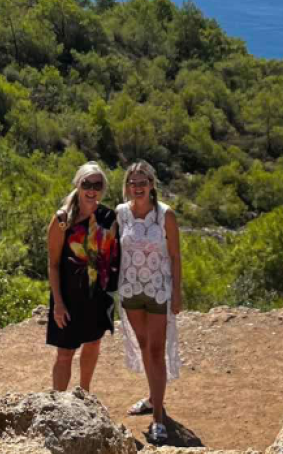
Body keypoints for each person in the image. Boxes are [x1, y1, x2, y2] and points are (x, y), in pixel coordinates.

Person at [116, 160, 182, 444]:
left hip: (158, 290)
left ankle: (157, 419)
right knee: (144, 346)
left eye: (142, 182)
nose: (137, 187)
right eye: (133, 183)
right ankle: (154, 397)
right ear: (127, 187)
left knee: (156, 351)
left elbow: (176, 256)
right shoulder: (121, 214)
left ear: (152, 184)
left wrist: (177, 292)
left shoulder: (165, 215)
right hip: (130, 290)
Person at [47, 161, 121, 393]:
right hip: (68, 297)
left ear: (103, 189)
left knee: (93, 343)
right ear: (77, 185)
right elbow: (53, 264)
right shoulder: (62, 220)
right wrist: (58, 303)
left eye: (97, 185)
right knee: (64, 353)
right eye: (86, 183)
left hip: (98, 295)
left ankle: (84, 395)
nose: (91, 189)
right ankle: (57, 404)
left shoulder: (109, 217)